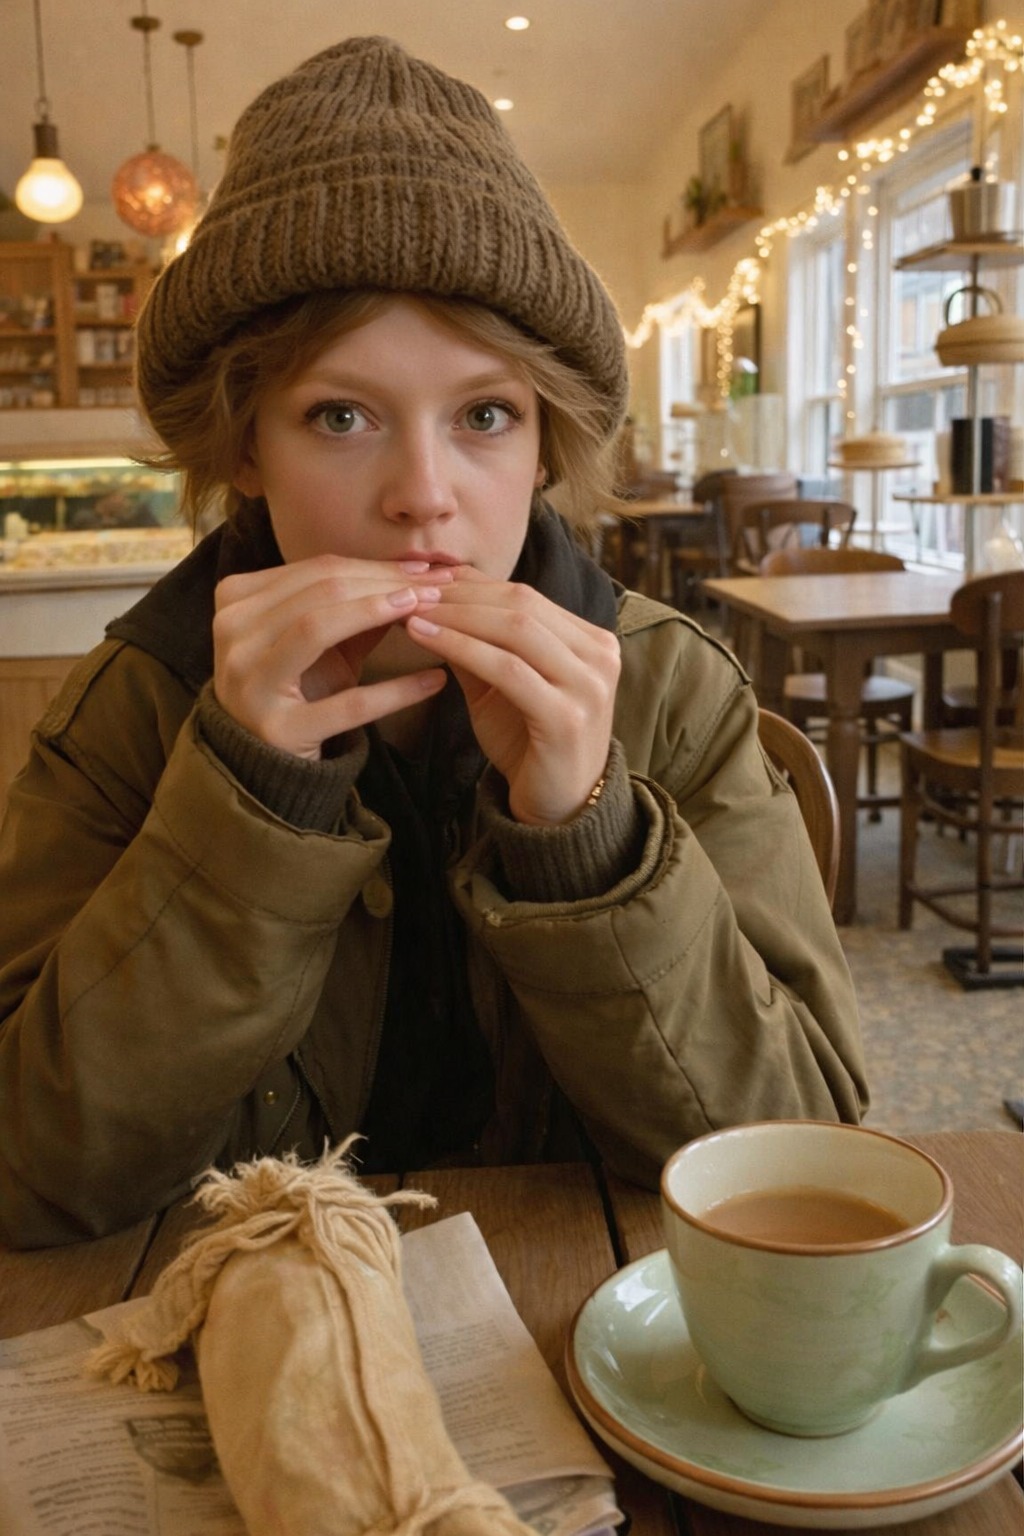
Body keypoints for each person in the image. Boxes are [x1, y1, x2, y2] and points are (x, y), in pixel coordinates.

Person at [0, 37, 868, 1248]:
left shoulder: (669, 687)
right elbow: (31, 1177)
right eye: (339, 416)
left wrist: (589, 841)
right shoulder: (133, 706)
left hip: (596, 1313)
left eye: (485, 414)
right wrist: (246, 809)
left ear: (546, 443)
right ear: (245, 448)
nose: (422, 495)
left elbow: (805, 1154)